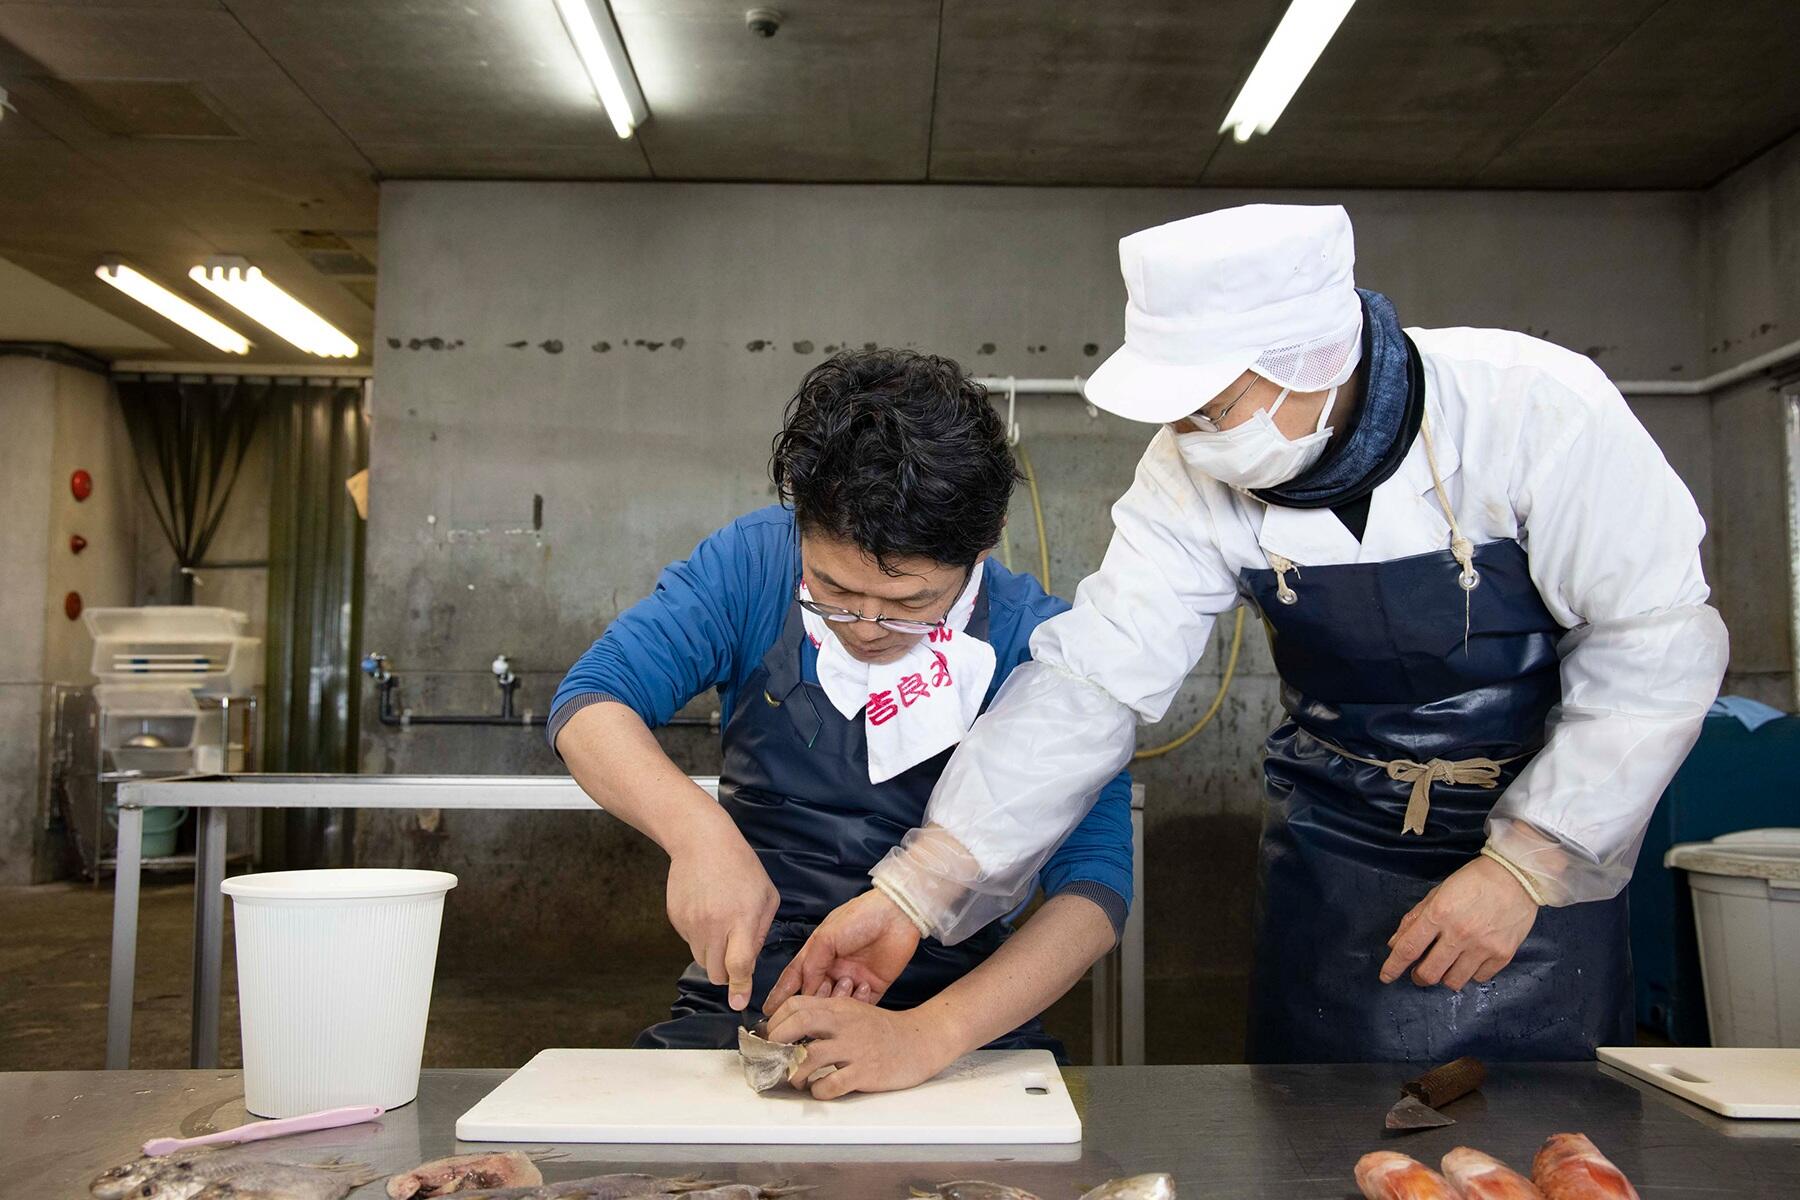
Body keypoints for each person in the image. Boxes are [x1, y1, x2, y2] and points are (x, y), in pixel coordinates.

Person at [771, 205, 1728, 1063]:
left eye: (1211, 408)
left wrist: (1532, 863)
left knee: (1539, 1139)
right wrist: (918, 890)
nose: (1192, 438)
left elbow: (1654, 642)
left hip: (1546, 849)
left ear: (1311, 358)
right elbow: (1094, 683)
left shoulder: (1532, 407)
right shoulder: (1189, 470)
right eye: (1177, 415)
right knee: (1311, 1140)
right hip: (1336, 850)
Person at [550, 348, 1133, 1096]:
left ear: (978, 550)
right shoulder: (754, 564)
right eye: (831, 590)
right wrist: (697, 832)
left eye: (908, 604)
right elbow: (591, 701)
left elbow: (1096, 891)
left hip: (961, 1004)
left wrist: (930, 1034)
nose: (863, 626)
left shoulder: (1039, 646)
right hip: (744, 995)